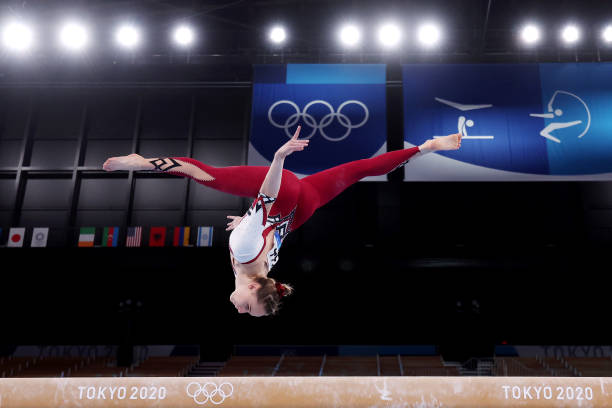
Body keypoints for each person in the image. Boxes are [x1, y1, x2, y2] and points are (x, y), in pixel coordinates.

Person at [103, 126, 462, 317]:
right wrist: (277, 161)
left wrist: (250, 220)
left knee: (357, 171)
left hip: (301, 208)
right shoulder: (245, 255)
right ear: (256, 288)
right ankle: (141, 162)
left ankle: (424, 148)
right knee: (204, 173)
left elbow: (267, 228)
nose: (241, 311)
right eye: (249, 307)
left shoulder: (260, 272)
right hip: (283, 192)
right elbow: (266, 200)